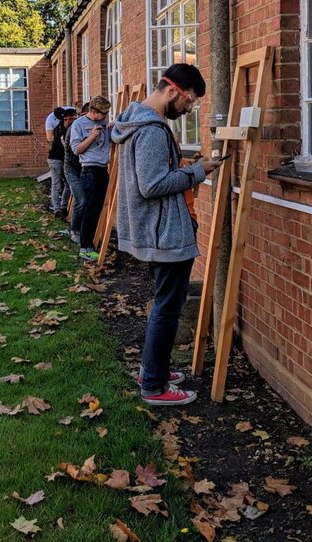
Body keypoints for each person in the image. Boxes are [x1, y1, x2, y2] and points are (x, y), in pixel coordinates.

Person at [111, 63, 222, 406]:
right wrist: (196, 173)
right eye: (189, 101)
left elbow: (153, 175)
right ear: (173, 91)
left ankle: (151, 370)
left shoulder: (134, 121)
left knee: (164, 304)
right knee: (167, 308)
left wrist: (186, 169)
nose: (189, 108)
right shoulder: (153, 130)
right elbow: (152, 184)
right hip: (165, 235)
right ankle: (155, 387)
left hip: (154, 231)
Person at [69, 95, 112, 261]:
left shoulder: (103, 123)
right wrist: (92, 136)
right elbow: (77, 149)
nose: (105, 116)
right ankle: (85, 247)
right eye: (103, 113)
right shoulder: (79, 125)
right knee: (90, 209)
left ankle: (91, 243)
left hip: (102, 169)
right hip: (89, 170)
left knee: (97, 208)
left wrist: (111, 129)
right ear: (93, 111)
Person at [63, 104, 88, 243]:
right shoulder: (75, 128)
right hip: (72, 169)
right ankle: (75, 229)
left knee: (87, 200)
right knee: (81, 199)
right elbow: (76, 150)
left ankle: (83, 227)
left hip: (84, 169)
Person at [46, 107, 70, 217]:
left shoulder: (56, 128)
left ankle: (58, 208)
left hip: (54, 159)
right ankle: (61, 207)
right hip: (58, 160)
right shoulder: (63, 131)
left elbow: (50, 139)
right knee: (65, 184)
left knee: (57, 184)